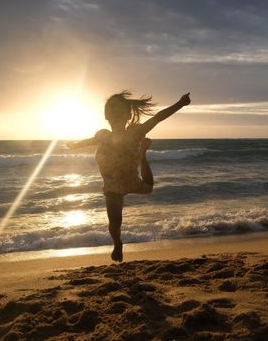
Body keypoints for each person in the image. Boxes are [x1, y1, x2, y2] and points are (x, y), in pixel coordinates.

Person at [68, 90, 191, 262]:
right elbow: (90, 140)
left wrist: (179, 104)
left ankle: (143, 154)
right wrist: (75, 145)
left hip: (130, 179)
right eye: (111, 111)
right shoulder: (103, 135)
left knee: (148, 188)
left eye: (118, 111)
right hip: (111, 184)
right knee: (114, 220)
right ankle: (118, 243)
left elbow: (158, 117)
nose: (114, 114)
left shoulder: (136, 133)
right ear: (106, 116)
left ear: (127, 115)